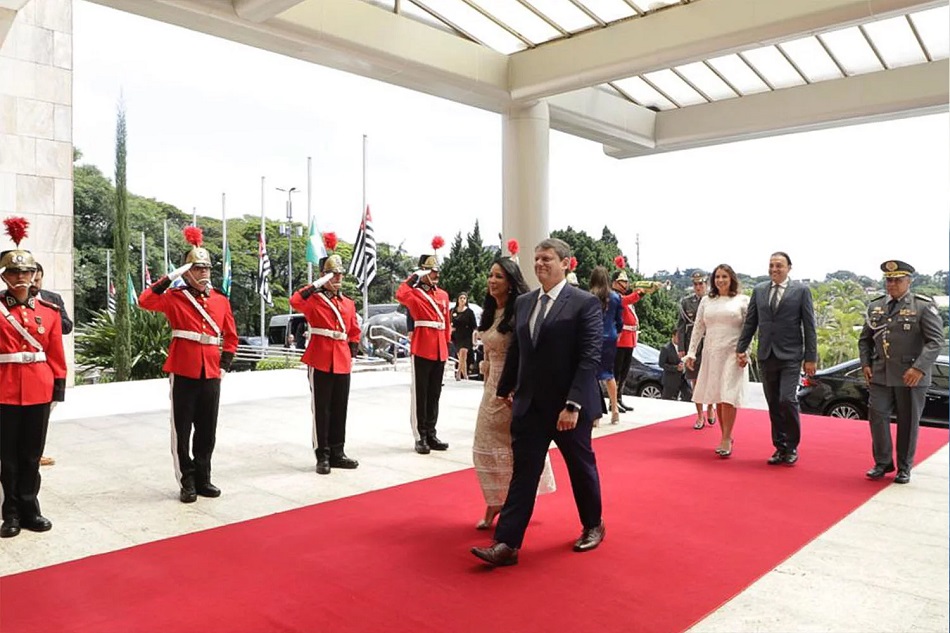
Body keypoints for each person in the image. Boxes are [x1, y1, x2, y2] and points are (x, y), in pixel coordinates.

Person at [471, 237, 604, 567]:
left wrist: (573, 405)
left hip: (567, 408)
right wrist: (505, 390)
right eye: (537, 258)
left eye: (547, 258)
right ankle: (507, 544)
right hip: (529, 406)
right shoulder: (525, 302)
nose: (540, 263)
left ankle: (593, 525)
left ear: (565, 263)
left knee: (580, 467)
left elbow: (589, 358)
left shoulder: (583, 303)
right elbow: (518, 349)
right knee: (524, 474)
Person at [139, 227, 238, 503]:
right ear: (187, 271)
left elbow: (230, 335)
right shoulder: (174, 297)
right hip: (183, 368)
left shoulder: (220, 300)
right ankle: (187, 480)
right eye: (197, 268)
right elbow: (144, 301)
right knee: (182, 429)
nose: (204, 272)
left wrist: (225, 364)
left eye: (206, 267)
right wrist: (170, 277)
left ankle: (204, 477)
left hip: (211, 370)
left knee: (207, 428)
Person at [472, 254, 556, 530]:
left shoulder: (521, 310)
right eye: (490, 275)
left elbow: (527, 351)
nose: (492, 281)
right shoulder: (489, 311)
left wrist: (518, 387)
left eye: (499, 276)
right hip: (490, 386)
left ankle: (513, 503)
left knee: (515, 447)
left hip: (513, 387)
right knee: (484, 447)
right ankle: (495, 501)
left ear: (510, 283)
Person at [0, 217, 66, 538]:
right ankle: (10, 514)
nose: (21, 277)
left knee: (32, 455)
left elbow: (55, 353)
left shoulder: (50, 311)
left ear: (34, 275)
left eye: (26, 272)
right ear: (5, 276)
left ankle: (30, 508)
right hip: (5, 390)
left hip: (39, 388)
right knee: (8, 458)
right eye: (14, 272)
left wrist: (59, 385)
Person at [858, 260, 943, 484]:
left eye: (897, 280)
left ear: (909, 281)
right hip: (880, 373)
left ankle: (904, 467)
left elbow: (936, 341)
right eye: (889, 280)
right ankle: (883, 462)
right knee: (877, 416)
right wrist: (865, 363)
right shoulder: (875, 306)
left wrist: (919, 368)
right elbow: (864, 340)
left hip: (910, 375)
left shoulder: (922, 306)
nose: (892, 284)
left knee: (908, 421)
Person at [736, 252, 817, 466]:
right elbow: (751, 322)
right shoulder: (760, 290)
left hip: (791, 356)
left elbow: (809, 327)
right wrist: (741, 348)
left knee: (787, 399)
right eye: (771, 265)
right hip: (766, 354)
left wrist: (811, 358)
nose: (774, 269)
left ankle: (791, 446)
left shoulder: (801, 291)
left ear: (789, 268)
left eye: (779, 265)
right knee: (773, 402)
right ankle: (779, 447)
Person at [289, 243, 362, 475]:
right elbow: (295, 300)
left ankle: (338, 452)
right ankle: (323, 454)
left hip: (341, 358)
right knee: (322, 409)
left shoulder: (348, 302)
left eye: (340, 273)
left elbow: (353, 330)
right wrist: (317, 284)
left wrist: (352, 352)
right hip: (320, 357)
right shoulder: (314, 299)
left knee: (340, 407)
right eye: (333, 274)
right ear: (324, 276)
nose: (338, 277)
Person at [685, 264, 749, 457]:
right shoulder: (706, 301)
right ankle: (726, 435)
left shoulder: (743, 300)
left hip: (733, 353)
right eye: (717, 277)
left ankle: (726, 437)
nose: (720, 280)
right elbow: (698, 328)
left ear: (732, 279)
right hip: (712, 353)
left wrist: (746, 352)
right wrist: (691, 352)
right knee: (719, 397)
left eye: (724, 277)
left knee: (728, 395)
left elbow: (749, 329)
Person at [396, 251, 452, 454]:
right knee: (421, 394)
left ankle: (431, 432)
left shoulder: (443, 294)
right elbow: (400, 293)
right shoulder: (414, 294)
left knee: (434, 394)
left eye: (436, 270)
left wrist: (446, 344)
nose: (436, 274)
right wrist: (416, 276)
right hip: (422, 346)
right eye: (431, 271)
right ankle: (420, 436)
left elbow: (446, 322)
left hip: (439, 348)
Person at [33, 262, 72, 467]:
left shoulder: (52, 300)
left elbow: (67, 326)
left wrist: (48, 317)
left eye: (37, 279)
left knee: (43, 413)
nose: (33, 284)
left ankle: (37, 453)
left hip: (46, 364)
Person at [611, 266, 656, 414]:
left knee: (624, 372)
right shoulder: (614, 296)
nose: (626, 284)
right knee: (617, 372)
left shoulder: (624, 296)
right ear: (614, 283)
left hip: (629, 338)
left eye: (626, 281)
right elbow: (625, 301)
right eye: (622, 281)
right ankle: (614, 401)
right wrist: (639, 293)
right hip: (620, 338)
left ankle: (619, 398)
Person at [677, 271, 716, 428]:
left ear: (706, 284)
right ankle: (700, 415)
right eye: (695, 284)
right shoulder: (686, 302)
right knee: (695, 381)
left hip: (710, 344)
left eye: (701, 284)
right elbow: (681, 326)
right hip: (693, 345)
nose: (698, 287)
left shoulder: (713, 300)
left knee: (711, 379)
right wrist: (681, 348)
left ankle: (711, 407)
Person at [589, 266, 623, 425]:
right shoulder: (616, 297)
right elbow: (620, 321)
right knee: (609, 374)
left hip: (593, 337)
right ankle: (615, 408)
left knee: (592, 375)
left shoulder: (590, 297)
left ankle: (595, 415)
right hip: (610, 336)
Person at [660, 331, 692, 403]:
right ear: (673, 336)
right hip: (670, 379)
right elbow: (661, 364)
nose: (680, 339)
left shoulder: (684, 347)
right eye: (678, 337)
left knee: (689, 396)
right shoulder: (666, 348)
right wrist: (675, 368)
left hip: (682, 378)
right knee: (666, 401)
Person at [451, 292, 477, 380]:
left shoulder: (469, 312)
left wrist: (474, 338)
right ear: (458, 299)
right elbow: (449, 322)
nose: (462, 300)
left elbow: (474, 326)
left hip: (466, 335)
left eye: (464, 298)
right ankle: (465, 375)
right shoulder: (453, 311)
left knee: (463, 353)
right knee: (461, 357)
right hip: (456, 336)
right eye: (461, 298)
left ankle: (458, 373)